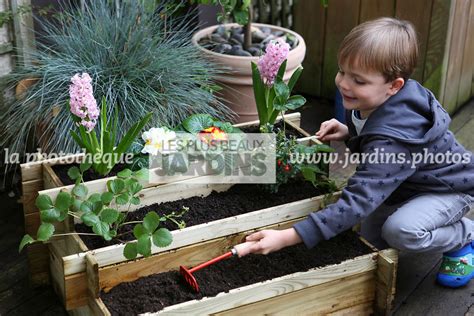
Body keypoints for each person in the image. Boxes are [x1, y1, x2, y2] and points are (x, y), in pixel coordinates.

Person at [234, 17, 474, 288]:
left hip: (447, 189)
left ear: (394, 86)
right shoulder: (374, 99)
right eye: (342, 72)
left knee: (400, 231)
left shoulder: (394, 140)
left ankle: (464, 236)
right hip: (404, 184)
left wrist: (287, 236)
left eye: (358, 80)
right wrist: (350, 131)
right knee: (370, 240)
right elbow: (374, 132)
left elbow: (358, 200)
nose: (344, 84)